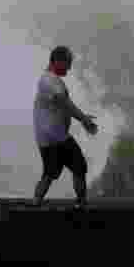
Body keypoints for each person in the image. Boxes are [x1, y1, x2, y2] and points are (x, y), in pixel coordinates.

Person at [33, 46, 99, 207]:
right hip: (57, 137)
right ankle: (81, 204)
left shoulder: (48, 80)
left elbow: (60, 107)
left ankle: (35, 203)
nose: (69, 67)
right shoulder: (49, 81)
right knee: (79, 167)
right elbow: (65, 103)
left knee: (50, 173)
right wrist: (84, 119)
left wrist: (81, 118)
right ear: (56, 61)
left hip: (48, 137)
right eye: (67, 63)